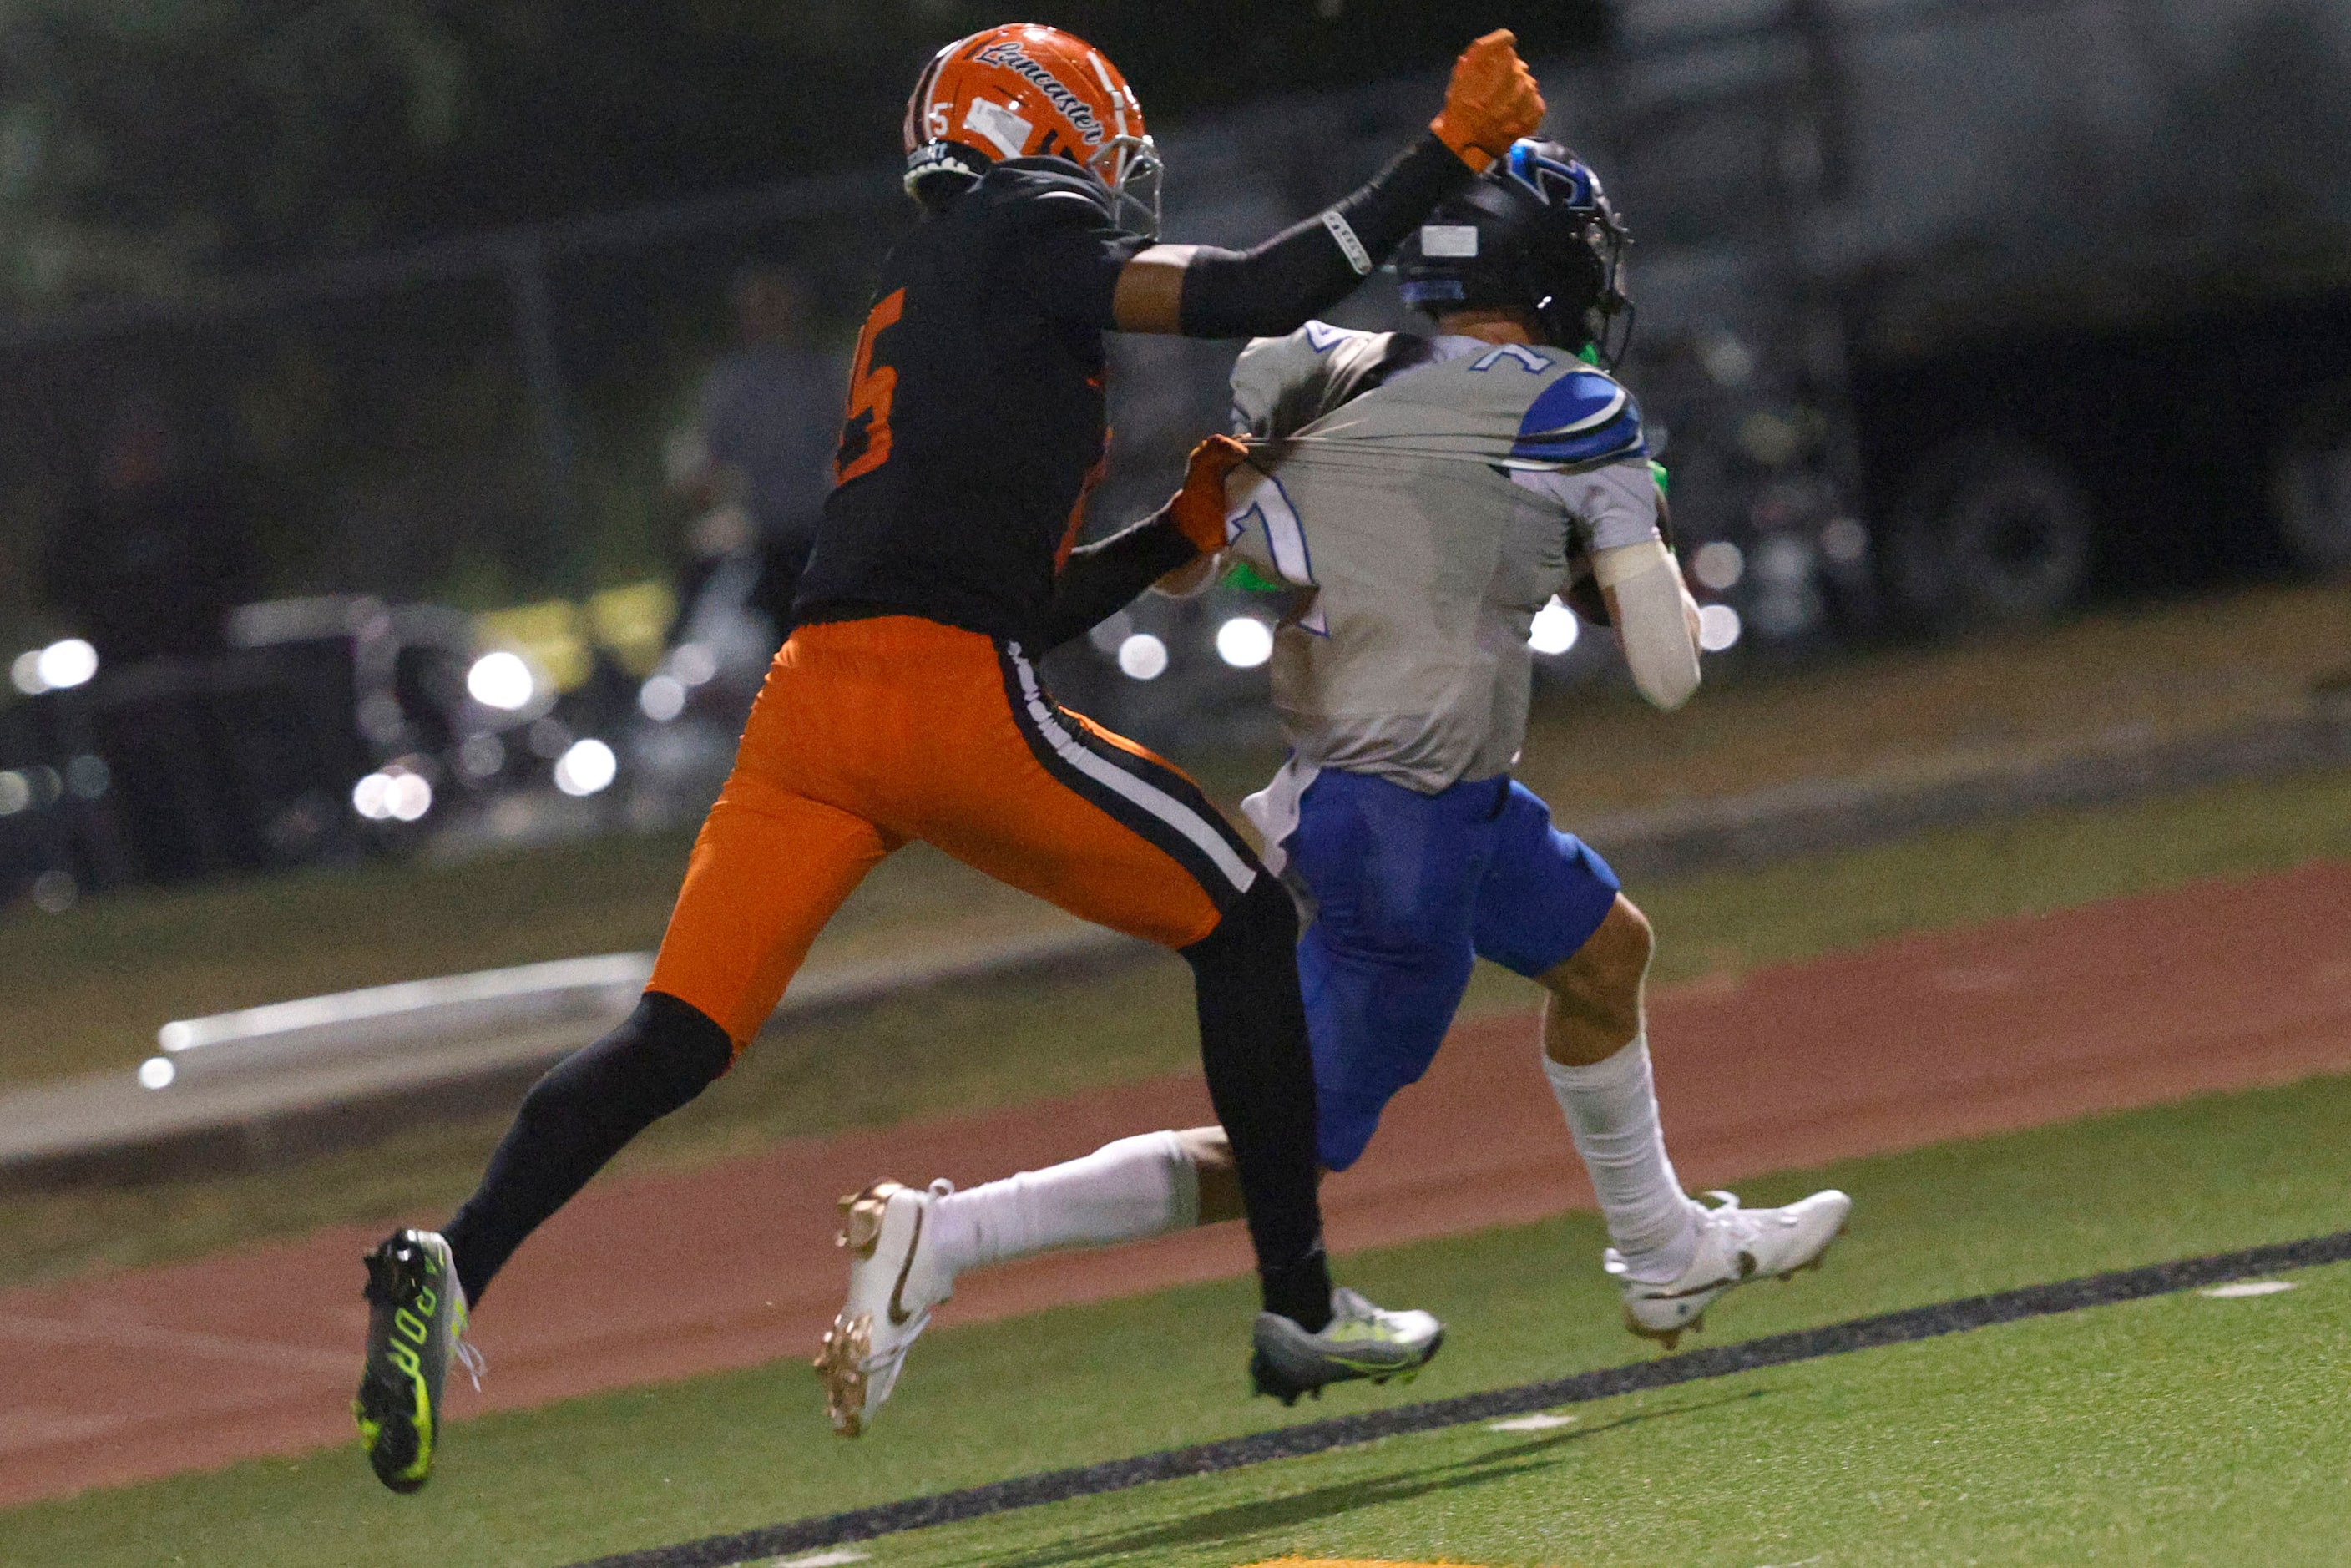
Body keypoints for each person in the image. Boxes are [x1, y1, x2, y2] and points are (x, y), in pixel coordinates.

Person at [354, 23, 1546, 1490]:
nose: (1117, 177)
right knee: (1240, 912)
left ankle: (444, 1261)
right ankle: (1300, 1305)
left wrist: (1171, 536)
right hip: (933, 700)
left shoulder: (925, 285)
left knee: (674, 1036)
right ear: (1044, 129)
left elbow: (1022, 601)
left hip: (813, 709)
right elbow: (1259, 291)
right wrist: (1452, 150)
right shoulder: (1026, 221)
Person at [823, 142, 1852, 1429]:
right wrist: (1628, 537)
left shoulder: (1325, 366)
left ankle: (1662, 1253)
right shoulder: (1572, 400)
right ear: (1551, 268)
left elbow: (1213, 567)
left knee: (1601, 953)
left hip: (1392, 791)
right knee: (1279, 1152)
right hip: (1403, 823)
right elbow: (1665, 673)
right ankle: (950, 1231)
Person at [670, 262, 845, 645]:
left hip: (825, 531)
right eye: (759, 305)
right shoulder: (733, 382)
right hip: (764, 538)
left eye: (776, 302)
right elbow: (707, 464)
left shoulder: (821, 373)